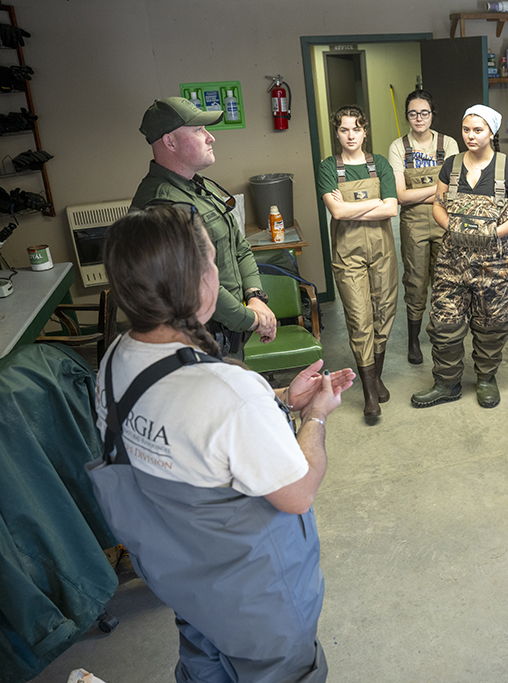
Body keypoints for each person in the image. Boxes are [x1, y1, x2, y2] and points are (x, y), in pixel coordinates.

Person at [87, 204, 355, 683]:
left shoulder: (116, 360)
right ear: (195, 284)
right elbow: (297, 494)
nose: (218, 272)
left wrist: (276, 400)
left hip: (184, 582)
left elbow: (191, 430)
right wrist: (314, 416)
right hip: (253, 602)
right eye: (213, 262)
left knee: (203, 662)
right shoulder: (226, 390)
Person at [133, 97, 276, 360]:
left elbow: (239, 247)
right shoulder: (162, 203)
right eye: (199, 130)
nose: (211, 138)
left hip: (229, 334)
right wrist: (252, 320)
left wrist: (255, 296)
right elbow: (193, 281)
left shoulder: (200, 187)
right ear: (169, 141)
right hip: (197, 342)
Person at [411, 104, 508, 409]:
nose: (471, 136)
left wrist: (494, 233)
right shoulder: (450, 165)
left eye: (478, 130)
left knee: (491, 324)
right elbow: (438, 204)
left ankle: (486, 379)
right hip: (453, 260)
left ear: (491, 133)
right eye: (466, 130)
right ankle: (446, 383)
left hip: (497, 264)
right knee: (444, 323)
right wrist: (450, 225)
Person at [317, 105, 399, 424]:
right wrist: (372, 202)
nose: (351, 136)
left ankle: (375, 376)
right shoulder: (327, 167)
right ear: (336, 133)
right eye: (344, 130)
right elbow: (336, 214)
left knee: (384, 313)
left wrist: (350, 205)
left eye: (356, 129)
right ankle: (368, 393)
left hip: (382, 253)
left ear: (365, 131)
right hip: (347, 255)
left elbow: (391, 209)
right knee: (359, 318)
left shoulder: (379, 164)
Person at [387, 89, 460, 365]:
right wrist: (437, 190)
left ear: (432, 114)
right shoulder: (398, 147)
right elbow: (401, 196)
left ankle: (442, 334)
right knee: (416, 283)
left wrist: (430, 193)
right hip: (413, 224)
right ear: (407, 116)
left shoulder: (448, 144)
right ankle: (413, 340)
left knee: (445, 280)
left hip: (445, 220)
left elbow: (455, 190)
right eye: (413, 113)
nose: (419, 118)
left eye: (424, 113)